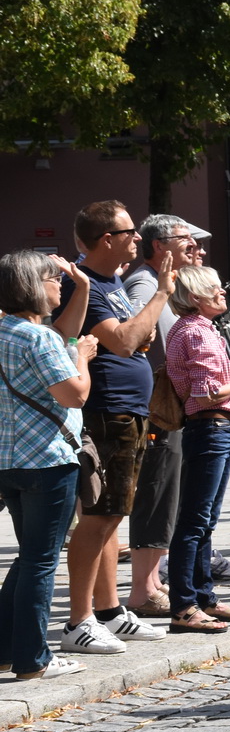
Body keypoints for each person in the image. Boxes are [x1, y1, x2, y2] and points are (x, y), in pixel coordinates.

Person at [52, 201, 172, 656]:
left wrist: (134, 332)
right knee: (98, 516)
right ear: (108, 239)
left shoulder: (111, 281)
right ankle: (78, 619)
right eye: (130, 232)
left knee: (113, 515)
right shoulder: (79, 284)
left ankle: (108, 611)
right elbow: (125, 341)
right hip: (106, 412)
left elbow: (139, 338)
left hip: (129, 410)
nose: (137, 238)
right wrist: (162, 291)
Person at [0, 252, 99, 679]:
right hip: (47, 458)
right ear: (31, 285)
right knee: (40, 560)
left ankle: (8, 648)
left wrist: (84, 290)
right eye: (52, 279)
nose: (59, 285)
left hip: (11, 459)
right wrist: (81, 355)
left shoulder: (5, 330)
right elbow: (74, 395)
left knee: (28, 558)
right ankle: (33, 660)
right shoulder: (37, 338)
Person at [163, 267, 230, 633]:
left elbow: (203, 379)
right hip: (211, 425)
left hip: (213, 427)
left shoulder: (195, 329)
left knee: (204, 519)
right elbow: (205, 394)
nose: (222, 293)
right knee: (195, 521)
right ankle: (184, 605)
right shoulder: (197, 332)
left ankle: (202, 597)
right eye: (214, 289)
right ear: (194, 298)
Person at [121, 213, 210, 617]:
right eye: (184, 239)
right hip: (158, 409)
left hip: (168, 407)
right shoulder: (145, 283)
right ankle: (142, 590)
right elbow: (134, 334)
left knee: (167, 493)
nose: (193, 245)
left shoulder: (166, 283)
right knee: (156, 492)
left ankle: (153, 582)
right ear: (159, 246)